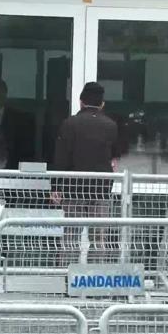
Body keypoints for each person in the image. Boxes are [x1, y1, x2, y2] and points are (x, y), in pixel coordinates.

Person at [52, 82, 120, 263]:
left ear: (80, 101)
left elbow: (60, 158)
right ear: (102, 104)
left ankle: (66, 281)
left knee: (70, 237)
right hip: (101, 189)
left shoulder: (69, 124)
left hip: (74, 188)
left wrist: (55, 186)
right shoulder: (111, 126)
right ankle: (93, 284)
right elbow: (114, 159)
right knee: (98, 239)